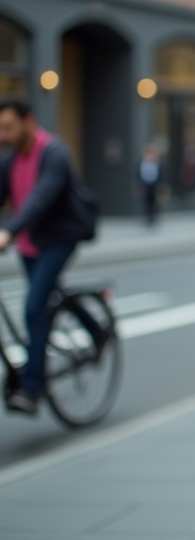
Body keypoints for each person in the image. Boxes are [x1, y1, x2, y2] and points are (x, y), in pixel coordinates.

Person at [0, 96, 104, 415]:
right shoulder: (10, 159)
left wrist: (9, 231)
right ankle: (98, 330)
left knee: (34, 307)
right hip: (30, 242)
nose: (3, 135)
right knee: (49, 295)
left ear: (28, 121)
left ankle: (32, 389)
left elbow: (41, 197)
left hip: (60, 237)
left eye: (8, 127)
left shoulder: (54, 152)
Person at [135, 144, 164, 227]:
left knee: (154, 203)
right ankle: (148, 218)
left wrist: (161, 185)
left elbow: (161, 175)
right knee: (146, 203)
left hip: (154, 185)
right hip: (145, 185)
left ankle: (153, 218)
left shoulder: (157, 163)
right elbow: (138, 175)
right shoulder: (141, 163)